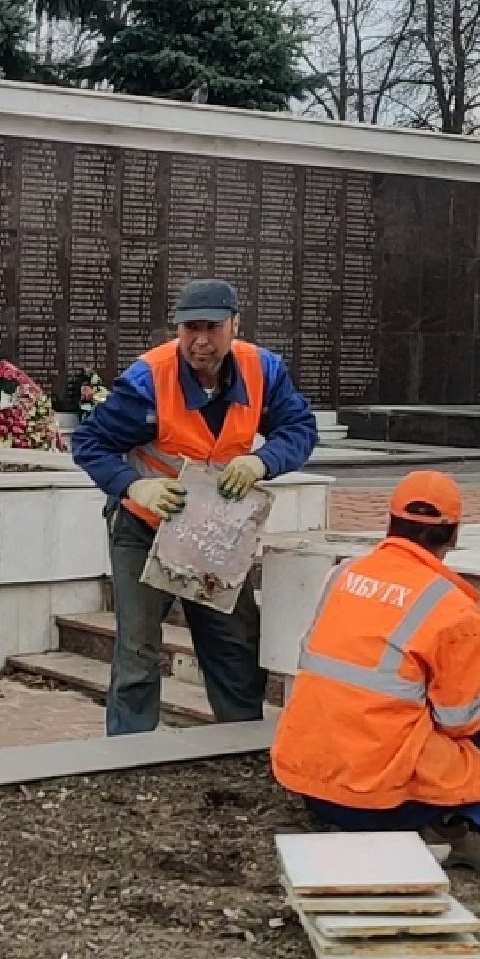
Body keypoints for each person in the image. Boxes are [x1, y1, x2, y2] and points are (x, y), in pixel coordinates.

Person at [269, 470, 480, 874]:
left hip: (314, 787)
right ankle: (464, 829)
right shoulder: (454, 609)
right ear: (452, 535)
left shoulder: (342, 576)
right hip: (383, 803)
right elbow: (460, 721)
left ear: (390, 523)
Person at [71, 279, 319, 735]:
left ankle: (236, 746)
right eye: (190, 328)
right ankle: (130, 755)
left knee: (234, 646)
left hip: (216, 533)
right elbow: (90, 443)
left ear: (235, 326)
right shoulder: (149, 379)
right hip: (146, 528)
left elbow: (300, 428)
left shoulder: (263, 370)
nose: (200, 340)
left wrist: (263, 460)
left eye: (212, 327)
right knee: (138, 649)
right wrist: (134, 487)